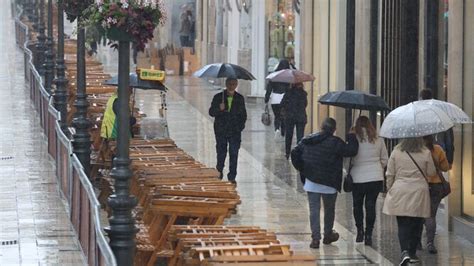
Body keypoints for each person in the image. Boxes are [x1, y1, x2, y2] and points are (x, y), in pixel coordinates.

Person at [291, 118, 359, 249]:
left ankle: (315, 239)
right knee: (329, 210)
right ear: (334, 129)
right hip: (329, 182)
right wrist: (352, 136)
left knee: (314, 210)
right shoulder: (336, 142)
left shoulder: (308, 140)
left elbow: (295, 152)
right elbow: (351, 151)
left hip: (311, 181)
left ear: (321, 127)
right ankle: (328, 234)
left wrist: (302, 168)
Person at [382, 137, 436, 265]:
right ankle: (412, 252)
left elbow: (390, 173)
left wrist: (390, 188)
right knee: (417, 223)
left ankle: (404, 251)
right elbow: (431, 172)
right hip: (419, 192)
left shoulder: (396, 151)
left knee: (403, 224)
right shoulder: (425, 152)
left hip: (401, 190)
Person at [348, 116, 388, 246]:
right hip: (375, 178)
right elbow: (384, 159)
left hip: (357, 177)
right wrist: (377, 168)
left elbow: (349, 159)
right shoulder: (379, 139)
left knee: (357, 205)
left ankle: (360, 231)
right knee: (370, 205)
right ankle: (369, 234)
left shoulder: (354, 139)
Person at [209, 78, 247, 184]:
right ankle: (219, 171)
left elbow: (243, 115)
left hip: (235, 131)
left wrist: (240, 127)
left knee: (234, 153)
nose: (231, 86)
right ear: (226, 84)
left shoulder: (239, 98)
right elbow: (211, 112)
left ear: (236, 85)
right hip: (221, 130)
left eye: (234, 84)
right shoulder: (218, 97)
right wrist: (219, 110)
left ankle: (232, 176)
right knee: (221, 152)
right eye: (229, 84)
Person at [422, 135, 450, 254]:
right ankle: (430, 243)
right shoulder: (438, 149)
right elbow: (445, 168)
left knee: (421, 213)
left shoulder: (418, 151)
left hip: (422, 186)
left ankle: (417, 242)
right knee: (431, 214)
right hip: (437, 186)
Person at [419, 88, 454, 167]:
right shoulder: (442, 117)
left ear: (420, 99)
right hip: (440, 157)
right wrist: (450, 160)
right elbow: (449, 142)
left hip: (422, 157)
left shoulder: (419, 118)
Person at [264, 59, 293, 139]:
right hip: (284, 97)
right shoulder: (288, 76)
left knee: (277, 116)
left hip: (275, 98)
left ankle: (277, 129)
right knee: (283, 115)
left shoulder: (274, 75)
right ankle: (283, 132)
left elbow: (269, 89)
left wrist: (266, 99)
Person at [281, 82, 308, 159]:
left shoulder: (288, 93)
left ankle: (287, 153)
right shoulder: (304, 94)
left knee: (289, 135)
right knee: (300, 136)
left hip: (290, 117)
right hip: (301, 117)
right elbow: (305, 104)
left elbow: (282, 104)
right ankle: (299, 152)